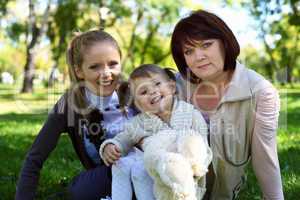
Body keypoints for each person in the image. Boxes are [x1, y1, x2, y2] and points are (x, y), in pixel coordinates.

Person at [15, 29, 144, 200]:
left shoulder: (133, 91)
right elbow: (35, 157)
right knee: (82, 189)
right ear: (79, 71)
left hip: (146, 167)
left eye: (113, 64)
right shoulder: (69, 104)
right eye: (95, 66)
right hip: (107, 177)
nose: (106, 73)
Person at [170, 10, 284, 200]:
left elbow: (265, 157)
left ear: (224, 42)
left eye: (206, 45)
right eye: (189, 51)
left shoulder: (260, 92)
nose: (198, 57)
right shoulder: (174, 86)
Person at [100, 64, 212, 200]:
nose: (152, 92)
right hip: (154, 183)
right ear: (137, 104)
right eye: (143, 92)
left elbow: (203, 149)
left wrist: (193, 168)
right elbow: (123, 138)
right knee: (133, 168)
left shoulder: (191, 115)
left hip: (186, 181)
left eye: (157, 84)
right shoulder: (140, 122)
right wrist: (111, 146)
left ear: (171, 87)